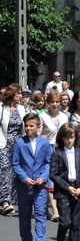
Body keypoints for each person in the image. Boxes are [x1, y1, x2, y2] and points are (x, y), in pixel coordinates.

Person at [12, 113, 52, 241]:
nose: (28, 128)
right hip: (25, 185)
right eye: (26, 126)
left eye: (31, 126)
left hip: (40, 185)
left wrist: (44, 176)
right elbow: (15, 164)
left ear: (38, 127)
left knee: (41, 212)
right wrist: (24, 178)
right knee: (25, 214)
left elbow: (48, 163)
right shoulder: (19, 143)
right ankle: (27, 240)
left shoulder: (45, 143)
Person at [50, 123, 80, 241]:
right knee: (65, 222)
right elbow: (53, 175)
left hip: (77, 191)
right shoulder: (57, 153)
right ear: (61, 138)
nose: (69, 141)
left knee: (75, 224)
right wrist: (67, 187)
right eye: (66, 138)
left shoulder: (79, 153)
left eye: (71, 137)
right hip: (64, 191)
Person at [40, 91, 69, 221]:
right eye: (52, 102)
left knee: (60, 178)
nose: (55, 104)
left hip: (61, 149)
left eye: (57, 102)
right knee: (50, 179)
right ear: (48, 103)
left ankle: (46, 208)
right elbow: (39, 135)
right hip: (47, 149)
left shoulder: (64, 116)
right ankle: (55, 211)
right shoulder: (43, 116)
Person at [1, 84, 27, 215]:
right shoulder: (1, 108)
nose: (21, 96)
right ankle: (5, 202)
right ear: (12, 94)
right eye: (19, 93)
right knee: (5, 171)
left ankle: (13, 199)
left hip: (18, 143)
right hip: (4, 144)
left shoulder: (22, 109)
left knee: (16, 171)